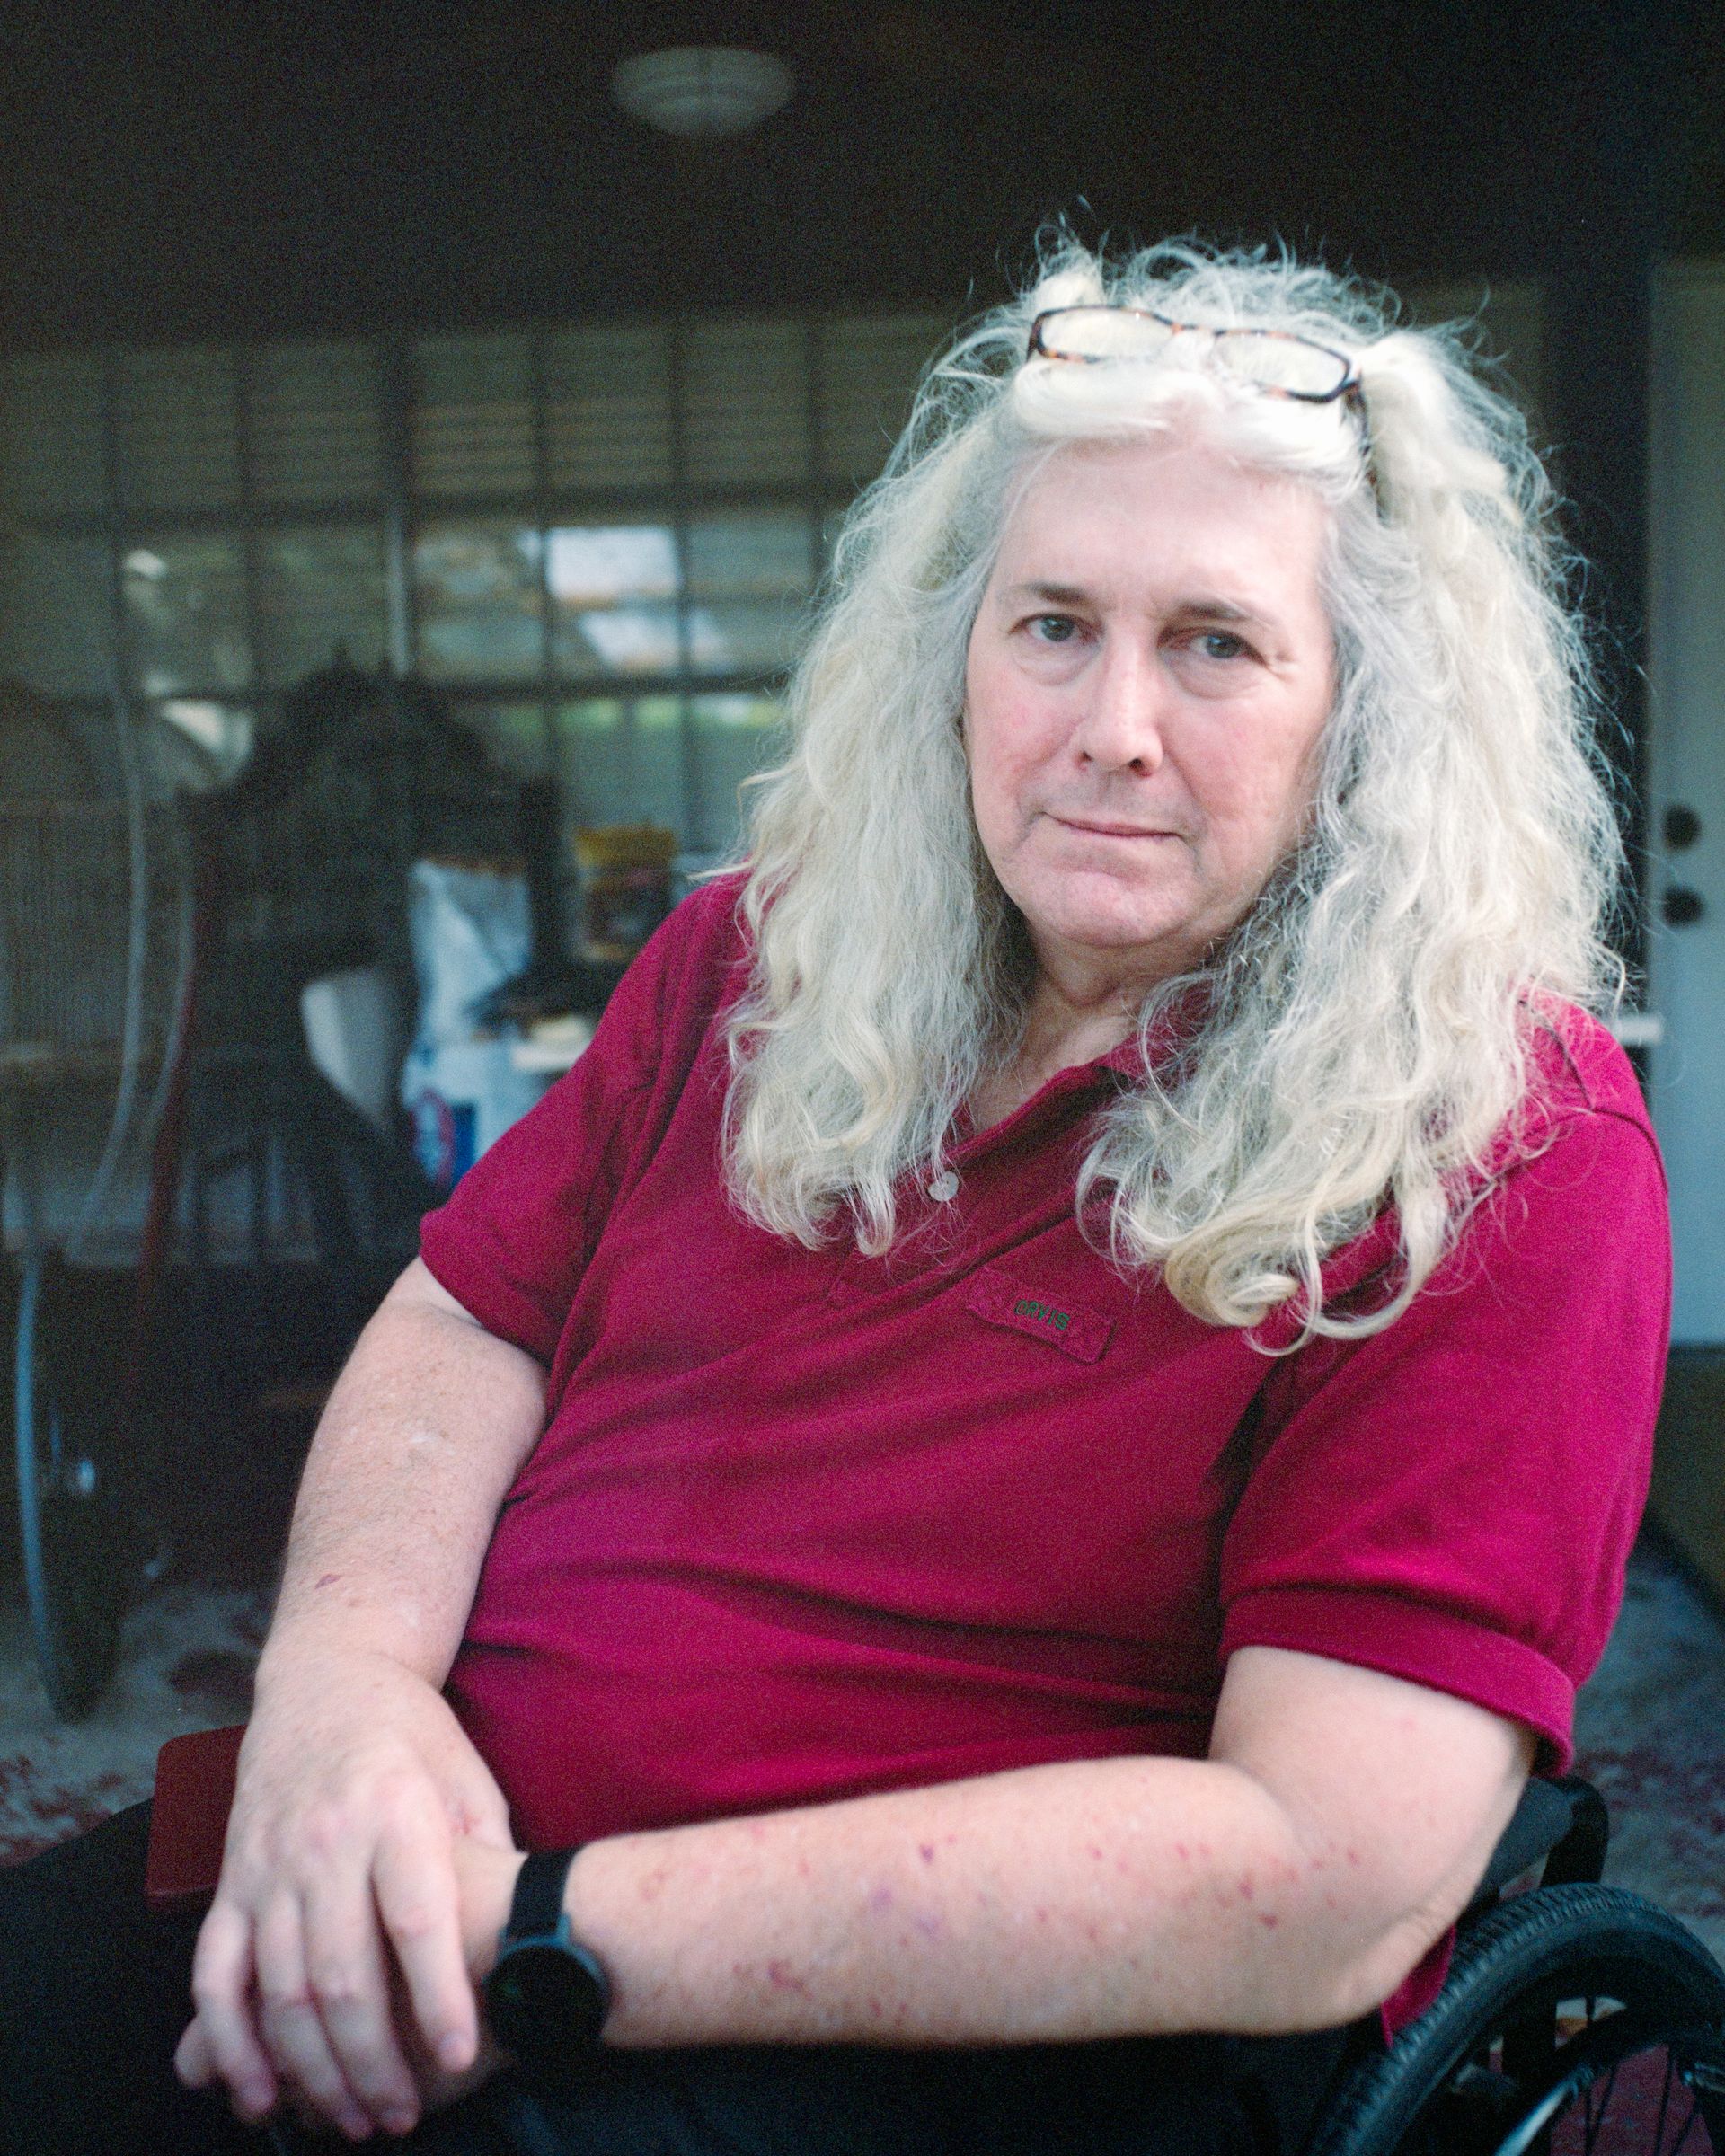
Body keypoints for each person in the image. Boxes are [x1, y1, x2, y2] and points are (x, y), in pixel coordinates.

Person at [0, 241, 1668, 2156]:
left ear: (1362, 717)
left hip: (887, 2036)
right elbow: (469, 1318)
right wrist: (340, 1703)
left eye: (1217, 642)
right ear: (952, 656)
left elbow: (1322, 1869)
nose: (1112, 723)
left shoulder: (1498, 1138)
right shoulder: (749, 960)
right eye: (1053, 624)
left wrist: (534, 1939)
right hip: (397, 1845)